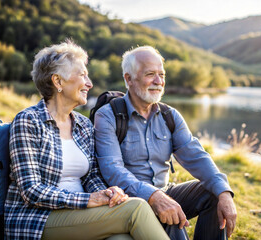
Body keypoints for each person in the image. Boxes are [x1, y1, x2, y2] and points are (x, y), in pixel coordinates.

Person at [5, 40, 169, 240]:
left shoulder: (83, 125)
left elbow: (91, 175)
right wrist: (87, 200)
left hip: (80, 216)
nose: (89, 83)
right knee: (137, 209)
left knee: (122, 239)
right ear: (58, 81)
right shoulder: (28, 121)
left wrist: (107, 194)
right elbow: (32, 191)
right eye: (82, 75)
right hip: (39, 219)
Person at [94, 46, 237, 240]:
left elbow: (196, 156)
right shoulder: (108, 116)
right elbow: (113, 170)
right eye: (150, 74)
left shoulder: (170, 116)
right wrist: (154, 197)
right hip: (129, 202)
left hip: (165, 192)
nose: (158, 82)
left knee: (212, 192)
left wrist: (224, 192)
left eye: (162, 75)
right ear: (128, 79)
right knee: (170, 217)